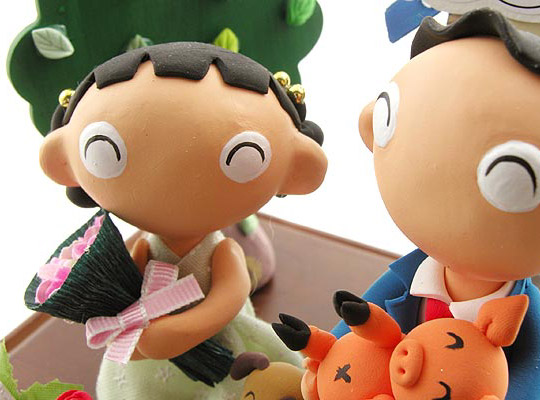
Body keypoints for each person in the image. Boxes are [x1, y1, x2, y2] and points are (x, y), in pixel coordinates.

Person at [39, 42, 328, 399]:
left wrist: (181, 331)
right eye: (106, 150)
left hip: (219, 345)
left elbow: (227, 298)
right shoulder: (144, 247)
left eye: (242, 157)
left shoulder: (222, 252)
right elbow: (128, 292)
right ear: (63, 160)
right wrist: (119, 321)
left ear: (297, 166)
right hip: (151, 351)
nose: (167, 178)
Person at [332, 9, 540, 400]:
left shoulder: (526, 316)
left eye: (510, 178)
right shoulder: (412, 275)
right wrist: (328, 357)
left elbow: (532, 376)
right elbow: (353, 325)